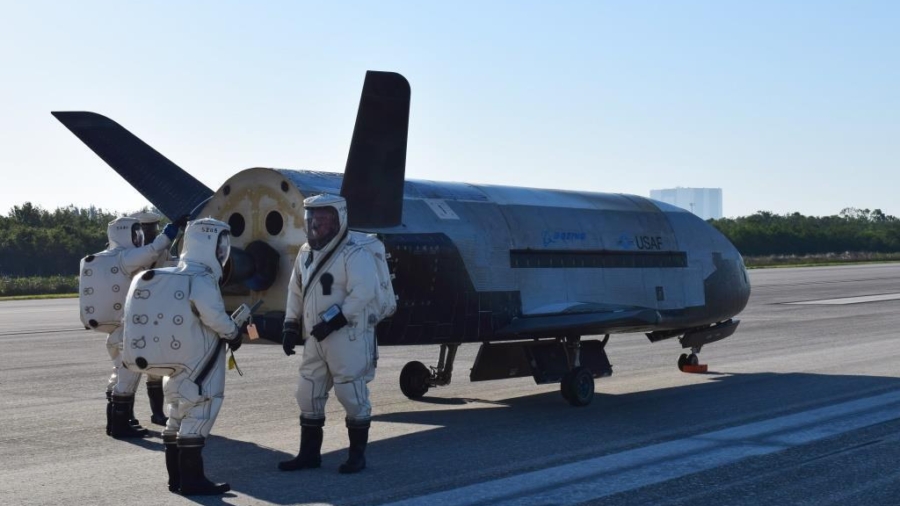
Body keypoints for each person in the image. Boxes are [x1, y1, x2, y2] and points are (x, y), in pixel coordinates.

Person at [124, 218, 241, 495]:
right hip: (199, 366)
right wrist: (234, 332)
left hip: (174, 368)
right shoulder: (201, 278)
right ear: (214, 244)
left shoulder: (173, 273)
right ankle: (192, 480)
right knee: (199, 415)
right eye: (222, 244)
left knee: (175, 419)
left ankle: (175, 479)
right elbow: (214, 316)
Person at [279, 193, 379, 474]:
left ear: (339, 220)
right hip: (315, 337)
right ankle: (309, 455)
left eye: (323, 219)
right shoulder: (305, 253)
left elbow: (363, 292)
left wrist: (336, 321)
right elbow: (295, 290)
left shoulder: (354, 252)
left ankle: (357, 457)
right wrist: (290, 324)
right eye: (312, 219)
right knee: (307, 393)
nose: (316, 225)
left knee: (351, 392)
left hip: (347, 336)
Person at [78, 216, 177, 438]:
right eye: (136, 234)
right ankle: (121, 425)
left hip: (113, 330)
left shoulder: (103, 257)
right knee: (128, 377)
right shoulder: (124, 258)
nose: (139, 238)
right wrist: (170, 233)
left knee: (118, 375)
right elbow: (152, 251)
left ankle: (114, 423)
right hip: (125, 330)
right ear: (125, 234)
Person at [130, 211, 179, 426]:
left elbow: (171, 264)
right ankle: (129, 414)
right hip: (140, 313)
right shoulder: (136, 251)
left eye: (155, 228)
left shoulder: (162, 248)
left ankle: (157, 414)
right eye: (149, 228)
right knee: (131, 371)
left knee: (156, 367)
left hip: (159, 310)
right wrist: (173, 228)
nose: (153, 231)